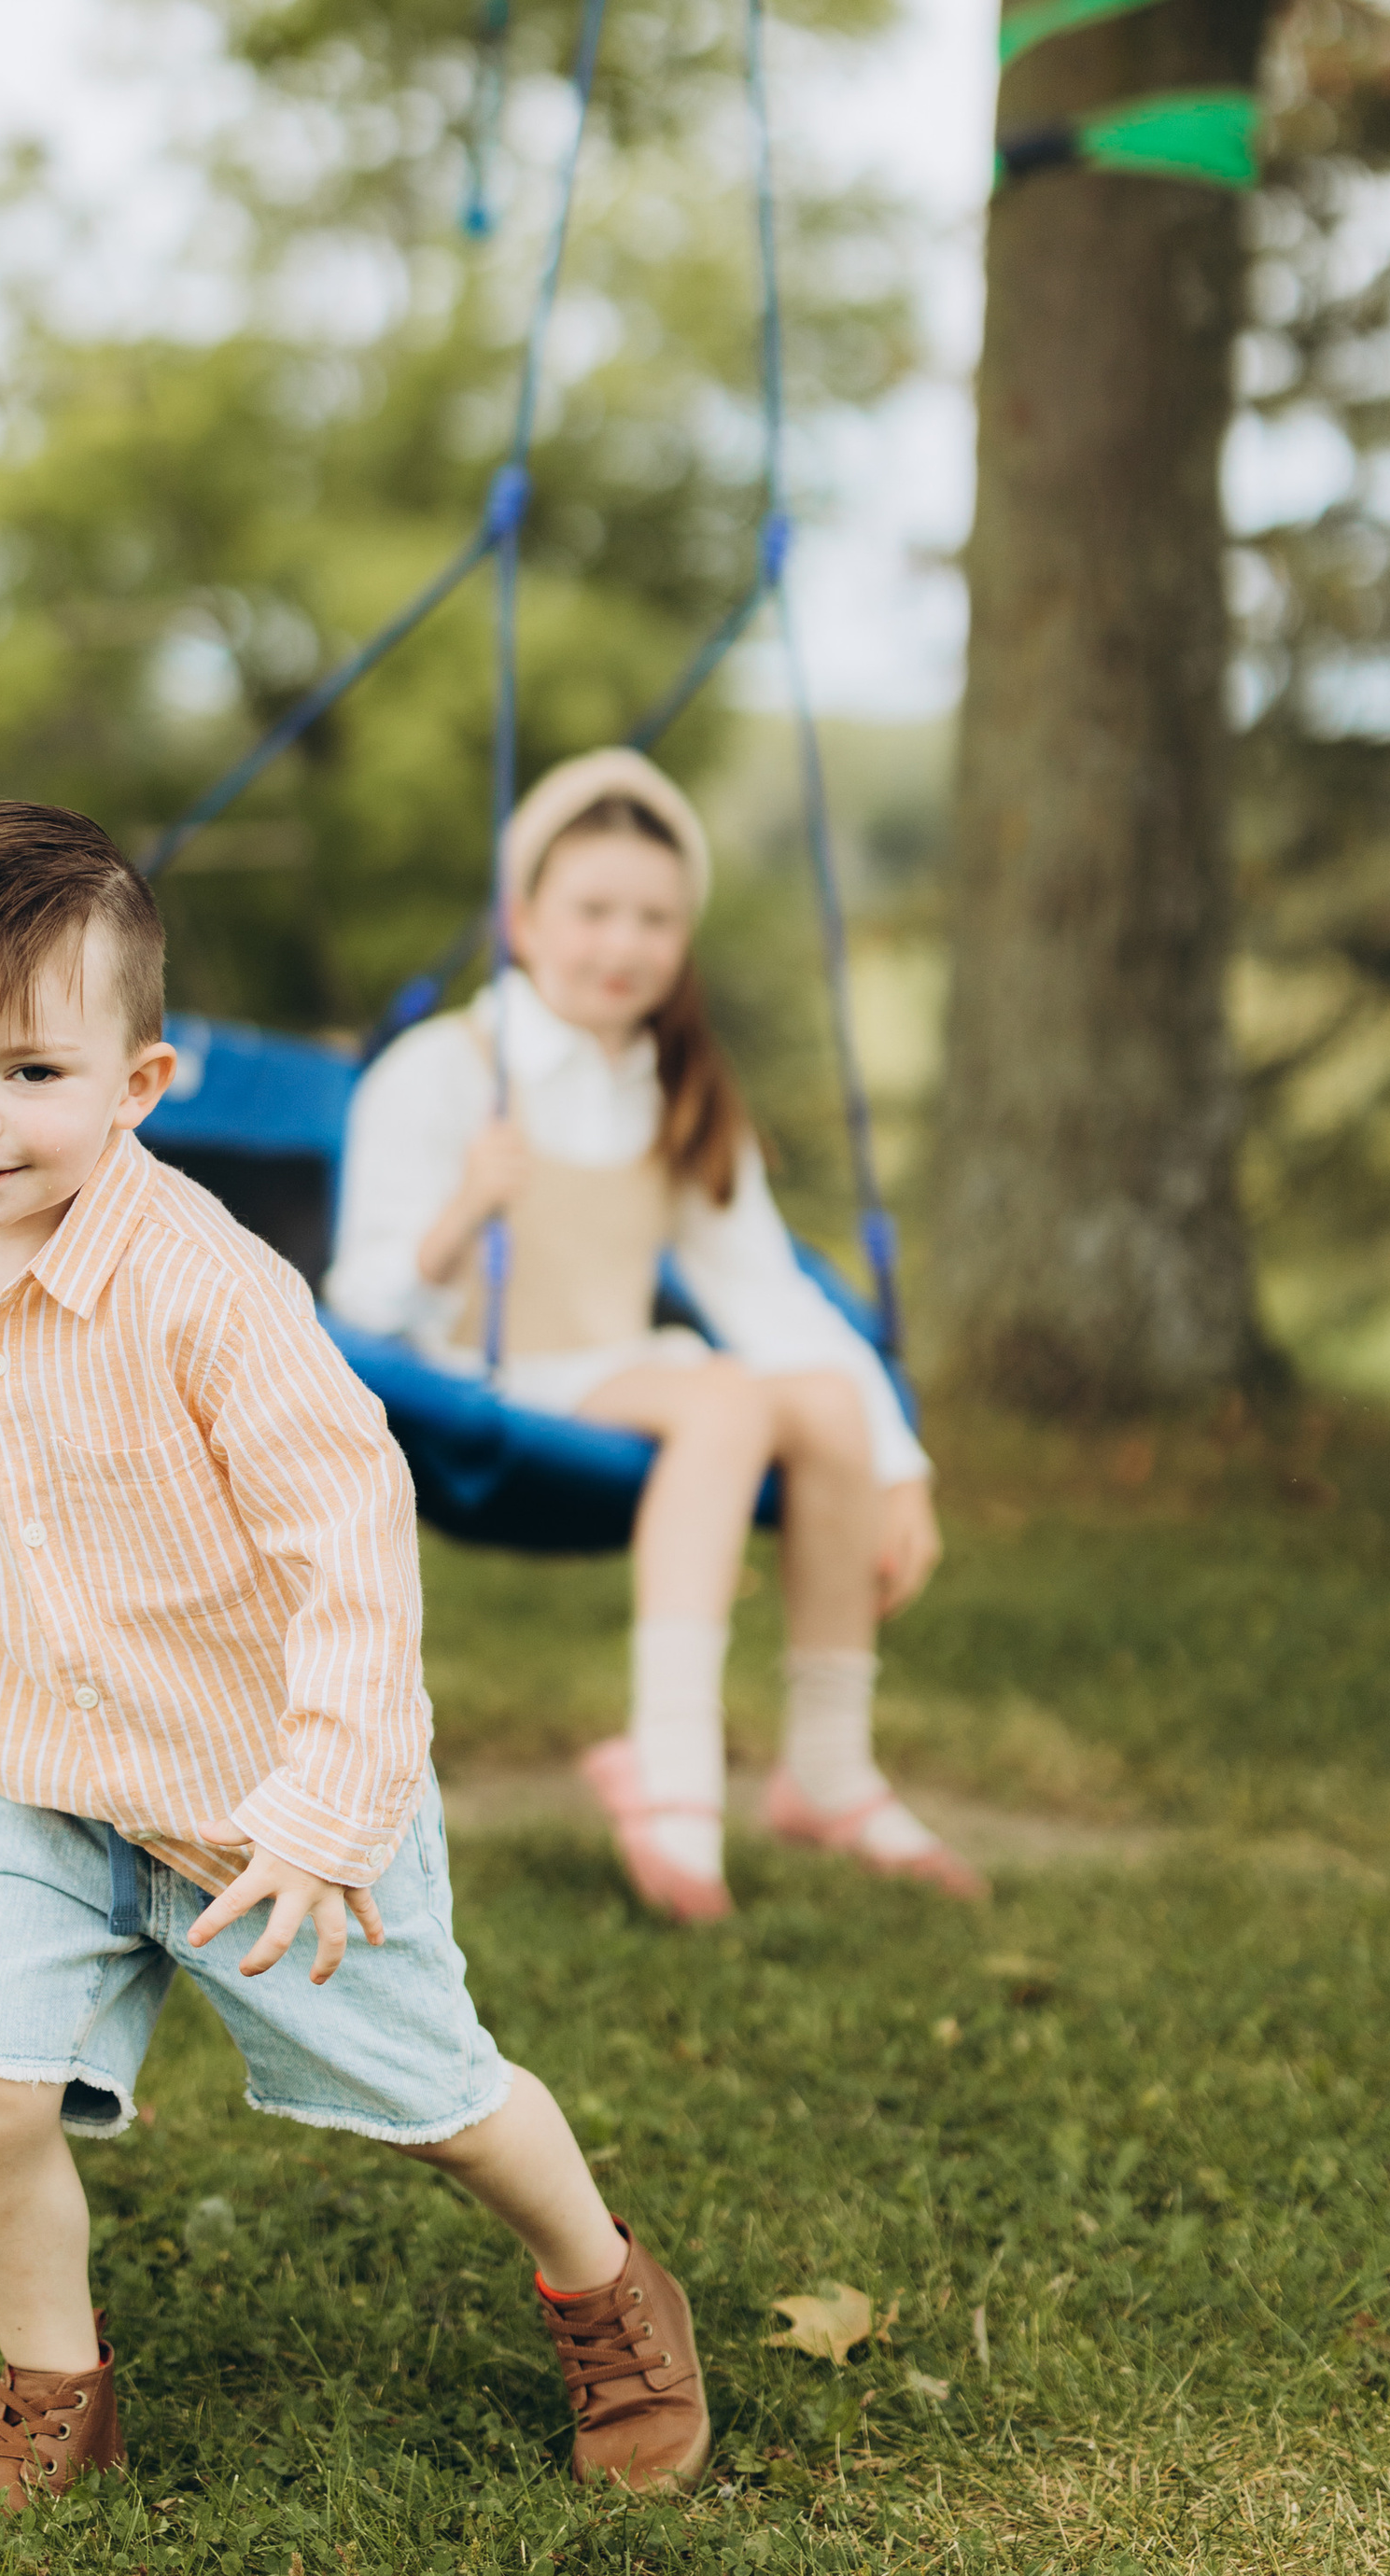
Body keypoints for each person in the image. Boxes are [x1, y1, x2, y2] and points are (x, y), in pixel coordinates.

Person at [0, 799, 717, 2508]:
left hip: (276, 1803)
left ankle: (603, 2283)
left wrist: (331, 1809)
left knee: (443, 2103)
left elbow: (350, 1536)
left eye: (32, 1074)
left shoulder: (211, 1289)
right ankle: (57, 2390)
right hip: (46, 1792)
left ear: (138, 1085)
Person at [326, 747, 979, 1925]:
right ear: (522, 919)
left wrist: (898, 1461)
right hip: (475, 1395)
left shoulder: (671, 1085)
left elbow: (769, 1292)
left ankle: (825, 1769)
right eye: (592, 911)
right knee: (726, 1397)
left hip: (620, 1381)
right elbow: (358, 1319)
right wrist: (462, 1214)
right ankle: (667, 1762)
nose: (622, 945)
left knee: (819, 1400)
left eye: (655, 919)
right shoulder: (440, 1072)